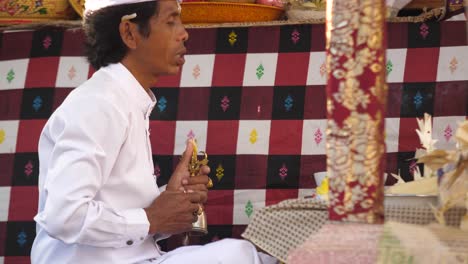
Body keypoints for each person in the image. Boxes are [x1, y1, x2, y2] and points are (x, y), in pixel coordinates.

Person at [30, 0, 277, 263]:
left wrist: (169, 203)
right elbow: (64, 215)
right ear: (129, 33)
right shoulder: (98, 104)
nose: (184, 33)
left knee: (242, 255)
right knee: (240, 257)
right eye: (171, 22)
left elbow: (122, 213)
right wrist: (151, 218)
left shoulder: (124, 100)